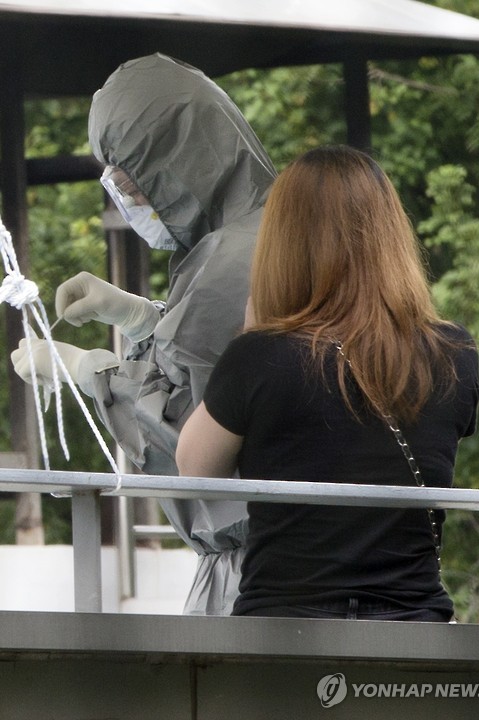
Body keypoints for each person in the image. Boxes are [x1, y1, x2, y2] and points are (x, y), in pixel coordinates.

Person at [12, 53, 276, 615]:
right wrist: (143, 320)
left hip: (256, 573)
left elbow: (185, 436)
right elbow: (222, 366)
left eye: (133, 182)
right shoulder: (262, 233)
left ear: (176, 161)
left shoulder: (229, 263)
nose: (130, 200)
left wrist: (91, 372)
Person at [176, 145, 479, 621]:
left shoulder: (260, 355)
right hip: (415, 626)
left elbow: (194, 469)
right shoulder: (454, 353)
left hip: (284, 629)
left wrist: (253, 336)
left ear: (284, 245)